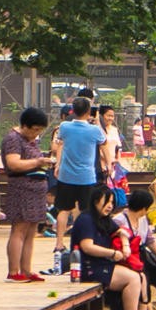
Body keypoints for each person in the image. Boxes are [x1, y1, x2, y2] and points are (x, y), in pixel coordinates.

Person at [70, 189, 152, 310]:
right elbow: (87, 247)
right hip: (88, 267)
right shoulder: (86, 219)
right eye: (106, 202)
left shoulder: (104, 219)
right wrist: (113, 253)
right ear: (96, 201)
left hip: (103, 264)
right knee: (132, 278)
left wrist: (125, 245)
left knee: (140, 276)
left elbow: (121, 232)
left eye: (112, 202)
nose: (109, 206)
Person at [49, 99, 109, 268]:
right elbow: (104, 141)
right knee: (85, 211)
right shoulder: (94, 130)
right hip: (86, 177)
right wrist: (96, 120)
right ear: (89, 111)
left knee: (63, 209)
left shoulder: (65, 127)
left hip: (66, 176)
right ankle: (81, 242)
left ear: (73, 110)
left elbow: (59, 144)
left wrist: (58, 164)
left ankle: (59, 244)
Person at [0, 107, 52, 281]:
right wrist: (38, 161)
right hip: (21, 188)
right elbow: (13, 164)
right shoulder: (13, 139)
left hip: (36, 190)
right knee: (19, 229)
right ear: (25, 126)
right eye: (35, 130)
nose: (36, 134)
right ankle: (14, 271)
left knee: (31, 231)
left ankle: (26, 269)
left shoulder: (31, 141)